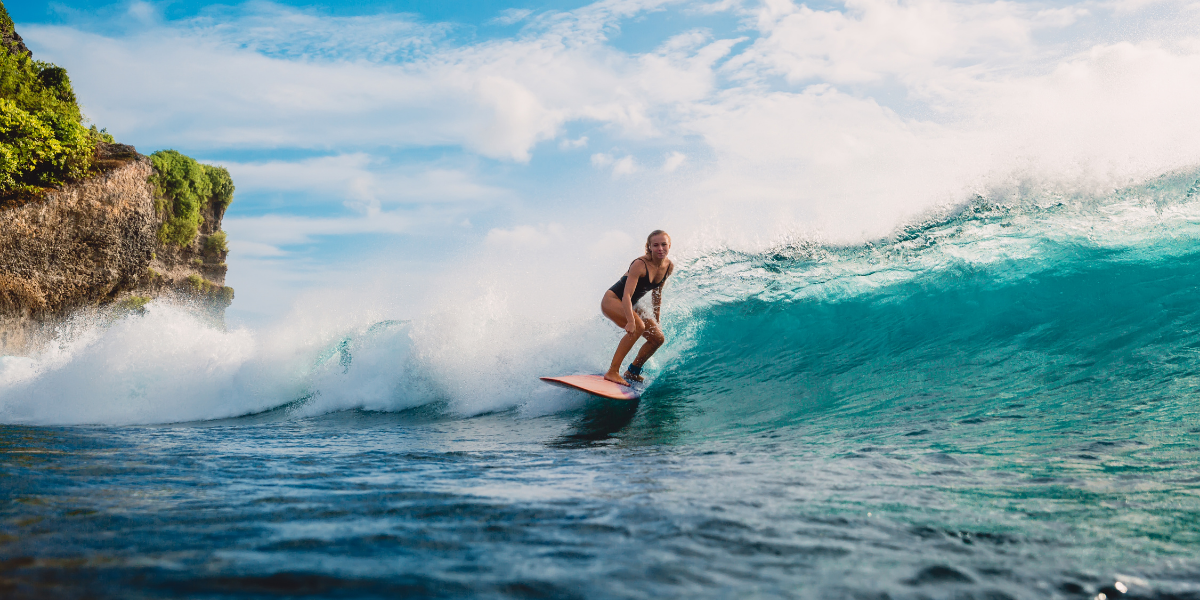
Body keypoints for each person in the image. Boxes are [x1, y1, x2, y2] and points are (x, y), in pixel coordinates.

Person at [601, 230, 673, 386]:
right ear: (649, 247)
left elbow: (657, 293)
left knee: (657, 338)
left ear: (669, 246)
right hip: (613, 300)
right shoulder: (640, 264)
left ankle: (633, 371)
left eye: (663, 244)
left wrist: (657, 318)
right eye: (655, 245)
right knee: (638, 326)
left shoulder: (668, 266)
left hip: (632, 304)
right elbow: (626, 295)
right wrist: (630, 321)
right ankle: (612, 372)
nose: (660, 248)